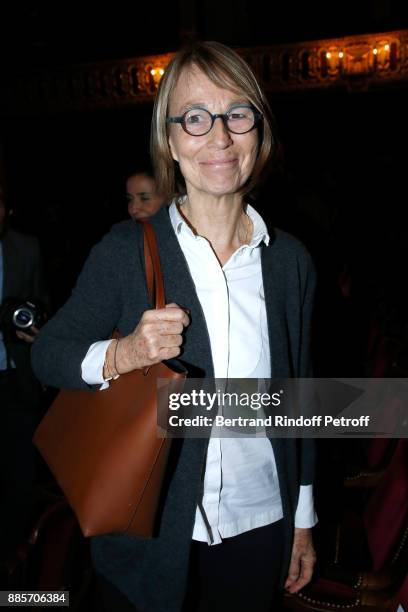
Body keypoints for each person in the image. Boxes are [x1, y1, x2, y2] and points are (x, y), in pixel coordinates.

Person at [32, 41, 317, 612]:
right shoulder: (124, 250)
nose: (218, 137)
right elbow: (48, 354)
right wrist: (124, 353)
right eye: (195, 117)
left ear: (258, 130)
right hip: (152, 531)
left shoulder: (289, 261)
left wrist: (303, 520)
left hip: (260, 522)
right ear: (169, 138)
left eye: (236, 114)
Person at [0, 182, 47, 562]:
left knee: (19, 476)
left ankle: (18, 564)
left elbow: (42, 301)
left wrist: (35, 324)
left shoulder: (26, 247)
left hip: (16, 378)